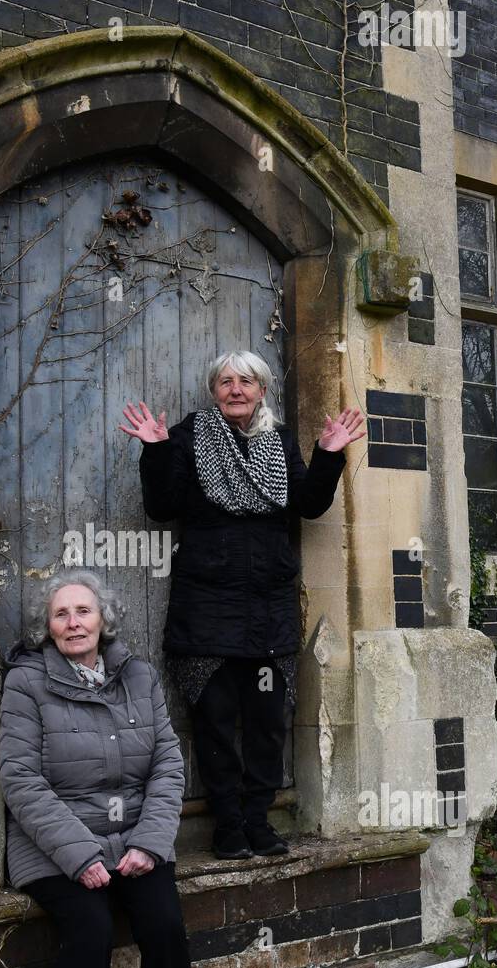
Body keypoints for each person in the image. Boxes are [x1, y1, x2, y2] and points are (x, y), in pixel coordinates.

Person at [120, 350, 364, 861]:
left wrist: (327, 455)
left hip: (267, 608)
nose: (236, 389)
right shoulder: (187, 438)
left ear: (262, 390)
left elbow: (308, 504)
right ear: (214, 391)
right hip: (207, 605)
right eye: (226, 381)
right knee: (214, 720)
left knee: (266, 722)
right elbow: (161, 507)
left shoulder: (278, 440)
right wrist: (157, 450)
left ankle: (259, 820)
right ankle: (228, 826)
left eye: (246, 381)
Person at [0, 570, 191, 968]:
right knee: (91, 933)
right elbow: (21, 781)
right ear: (47, 627)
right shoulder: (27, 683)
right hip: (56, 846)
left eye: (84, 611)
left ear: (103, 618)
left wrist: (150, 844)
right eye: (61, 614)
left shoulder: (138, 676)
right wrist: (81, 855)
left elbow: (168, 765)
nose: (74, 623)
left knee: (163, 926)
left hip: (133, 840)